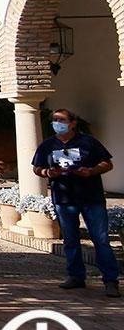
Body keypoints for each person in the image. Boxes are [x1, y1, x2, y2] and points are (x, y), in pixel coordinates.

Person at [32, 108, 120, 297]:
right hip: (64, 200)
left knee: (101, 239)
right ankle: (76, 276)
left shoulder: (88, 142)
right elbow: (37, 168)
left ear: (72, 123)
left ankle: (111, 280)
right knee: (70, 240)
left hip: (91, 198)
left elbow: (107, 163)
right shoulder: (47, 145)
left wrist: (91, 171)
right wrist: (47, 173)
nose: (57, 123)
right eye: (54, 120)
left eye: (61, 120)